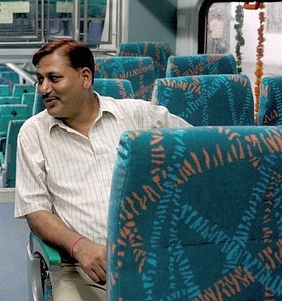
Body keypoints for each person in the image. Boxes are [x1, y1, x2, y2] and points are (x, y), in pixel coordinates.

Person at [14, 39, 191, 301]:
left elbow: (198, 149)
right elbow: (35, 211)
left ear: (85, 77)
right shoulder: (33, 134)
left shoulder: (139, 116)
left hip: (155, 258)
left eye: (54, 78)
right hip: (81, 268)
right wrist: (79, 247)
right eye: (39, 79)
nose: (44, 89)